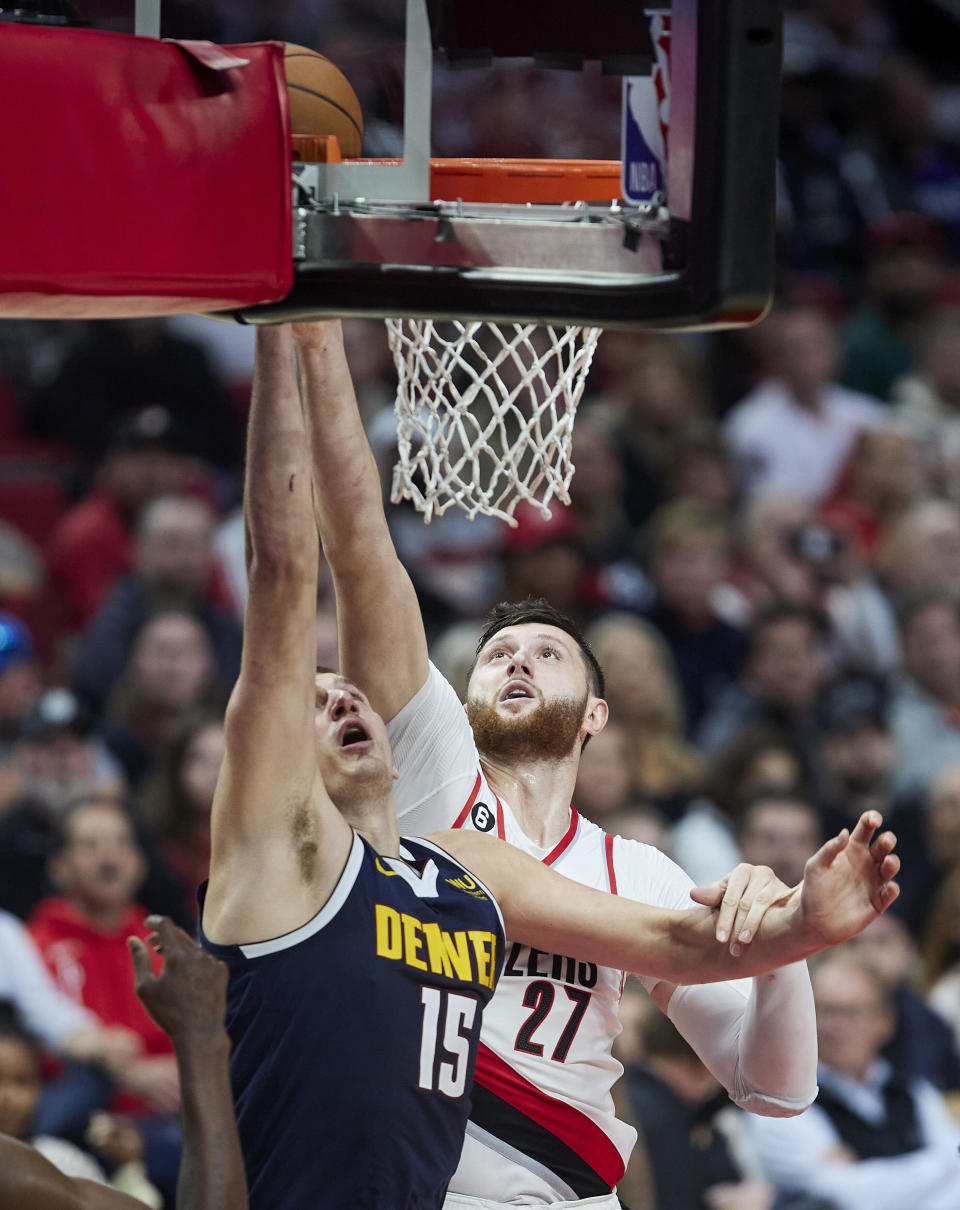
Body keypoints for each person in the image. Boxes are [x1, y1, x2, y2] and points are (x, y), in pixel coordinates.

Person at [202, 325, 901, 1210]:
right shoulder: (432, 776)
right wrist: (318, 334)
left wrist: (786, 945)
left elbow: (775, 1089)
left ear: (598, 716)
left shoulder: (638, 869)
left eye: (547, 653)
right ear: (459, 698)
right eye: (497, 655)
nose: (518, 662)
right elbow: (358, 543)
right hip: (431, 1188)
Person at [0, 916, 247, 1210]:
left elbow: (52, 1016)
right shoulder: (19, 1175)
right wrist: (200, 1037)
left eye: (20, 1082)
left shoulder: (45, 1162)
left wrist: (130, 1169)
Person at [745, 953, 960, 1210]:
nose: (835, 1026)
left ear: (885, 1022)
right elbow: (845, 1197)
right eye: (825, 1011)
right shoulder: (778, 1104)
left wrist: (864, 1175)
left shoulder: (914, 1091)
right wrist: (941, 1167)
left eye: (852, 1013)